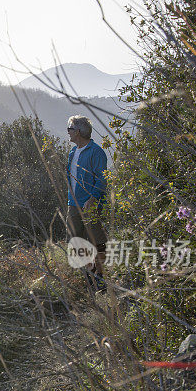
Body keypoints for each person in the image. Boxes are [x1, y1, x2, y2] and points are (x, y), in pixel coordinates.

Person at [66, 115, 108, 290]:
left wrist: (92, 198)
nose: (68, 132)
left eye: (70, 128)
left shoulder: (96, 151)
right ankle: (90, 273)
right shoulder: (72, 152)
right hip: (73, 203)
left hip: (90, 203)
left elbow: (102, 178)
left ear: (78, 131)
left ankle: (100, 276)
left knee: (96, 241)